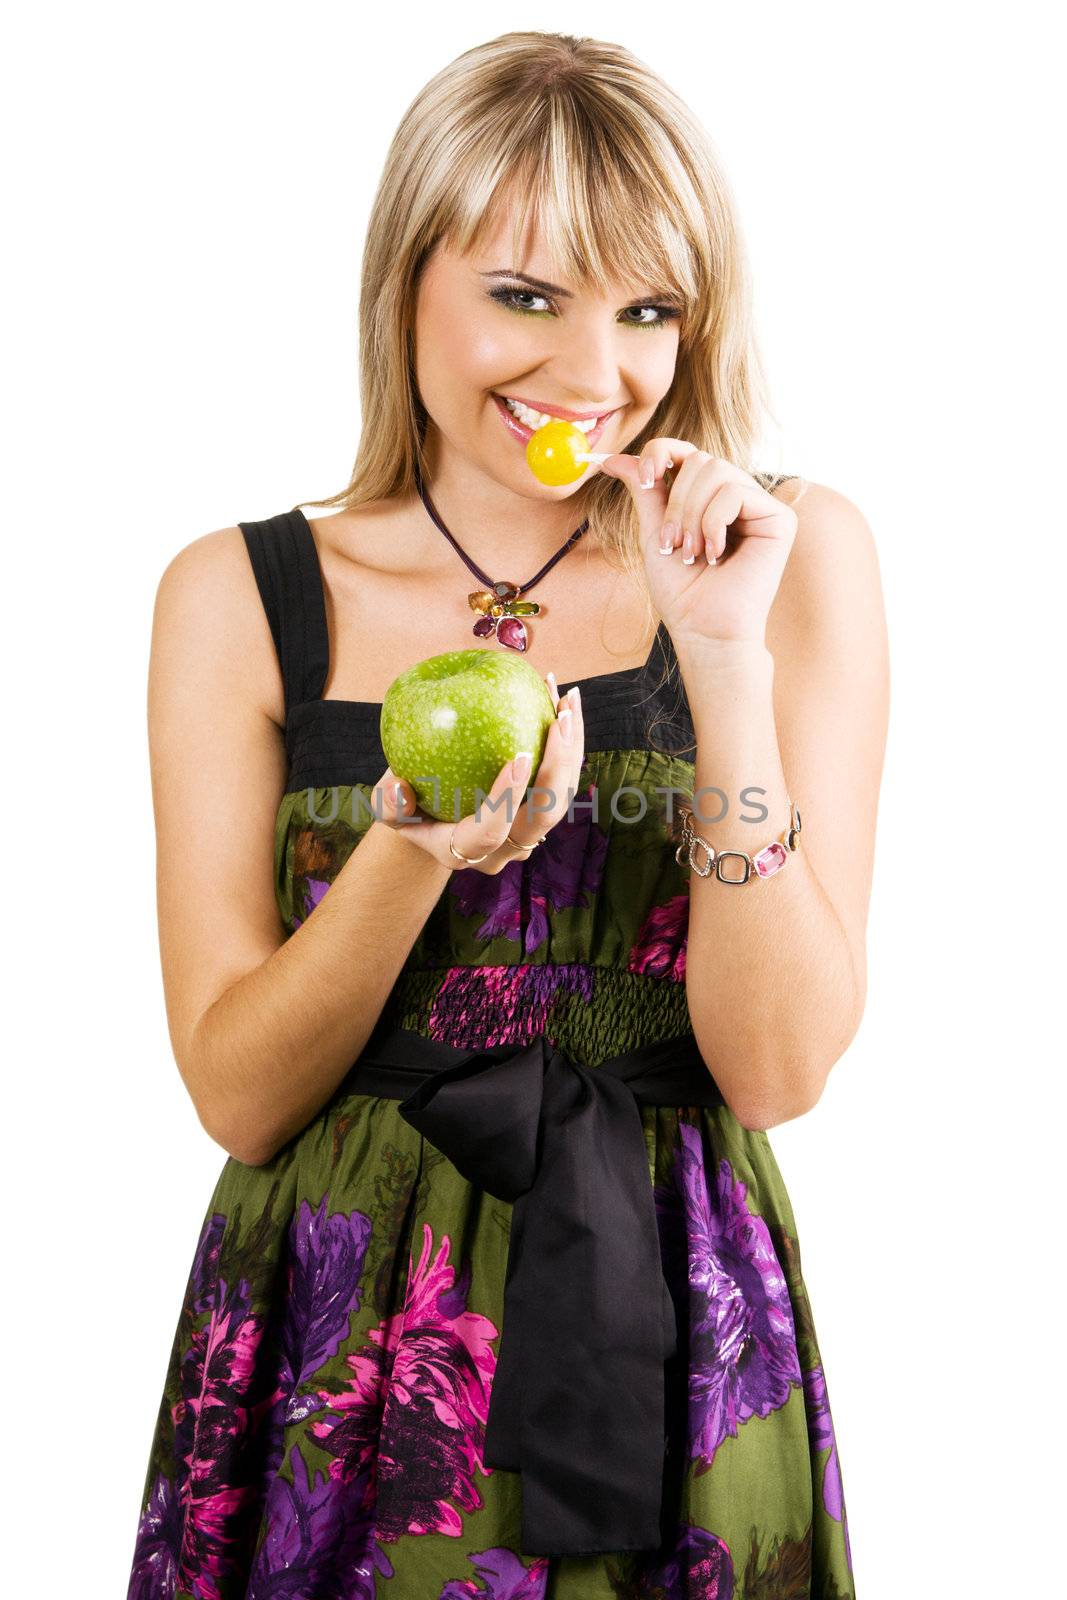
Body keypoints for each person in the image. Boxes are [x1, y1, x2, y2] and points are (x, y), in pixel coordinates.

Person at [126, 30, 886, 1600]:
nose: (592, 376)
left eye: (648, 309)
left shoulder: (788, 558)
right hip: (336, 1322)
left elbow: (781, 1064)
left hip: (672, 1299)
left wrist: (723, 660)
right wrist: (410, 852)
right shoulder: (242, 598)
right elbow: (238, 1094)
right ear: (406, 280)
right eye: (525, 296)